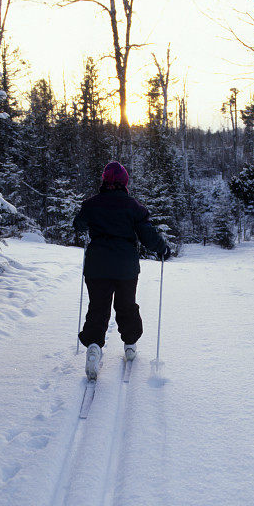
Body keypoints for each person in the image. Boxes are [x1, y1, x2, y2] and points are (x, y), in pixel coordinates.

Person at [73, 160, 171, 380]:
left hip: (96, 265)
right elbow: (147, 234)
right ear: (124, 182)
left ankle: (94, 348)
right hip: (125, 267)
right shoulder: (133, 207)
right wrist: (162, 248)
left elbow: (78, 225)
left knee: (98, 307)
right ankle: (130, 344)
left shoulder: (92, 204)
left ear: (104, 181)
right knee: (126, 305)